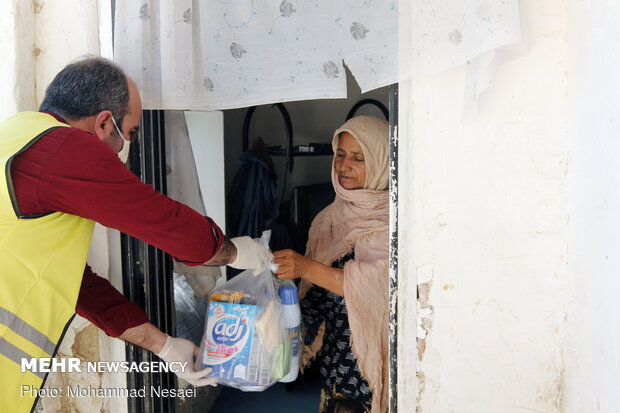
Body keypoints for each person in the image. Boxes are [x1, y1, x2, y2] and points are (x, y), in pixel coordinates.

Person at [0, 57, 272, 412]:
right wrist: (233, 252)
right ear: (102, 123)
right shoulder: (66, 149)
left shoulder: (15, 133)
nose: (126, 148)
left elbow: (72, 283)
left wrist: (163, 345)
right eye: (129, 134)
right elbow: (163, 221)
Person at [274, 115, 389, 413]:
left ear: (381, 162)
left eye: (358, 158)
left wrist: (305, 268)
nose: (344, 165)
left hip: (376, 372)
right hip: (336, 373)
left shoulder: (397, 223)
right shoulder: (327, 220)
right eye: (340, 155)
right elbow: (315, 298)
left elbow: (375, 286)